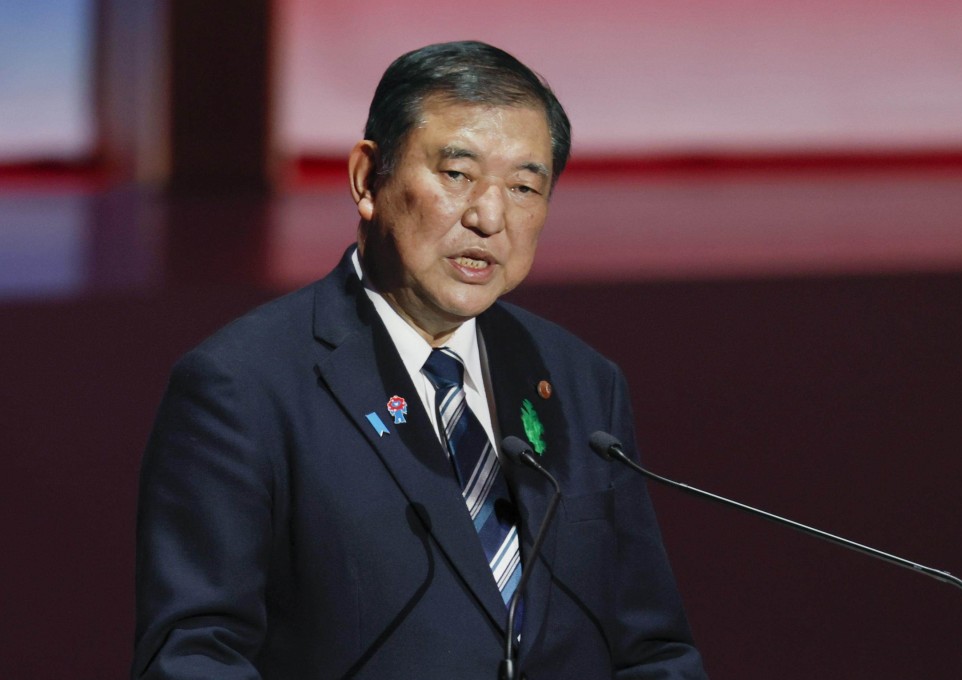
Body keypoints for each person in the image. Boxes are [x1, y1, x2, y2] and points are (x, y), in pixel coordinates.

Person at [132, 40, 708, 679]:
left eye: (523, 186)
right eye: (457, 174)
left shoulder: (581, 382)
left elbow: (653, 651)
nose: (490, 216)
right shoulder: (242, 387)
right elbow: (194, 659)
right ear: (367, 178)